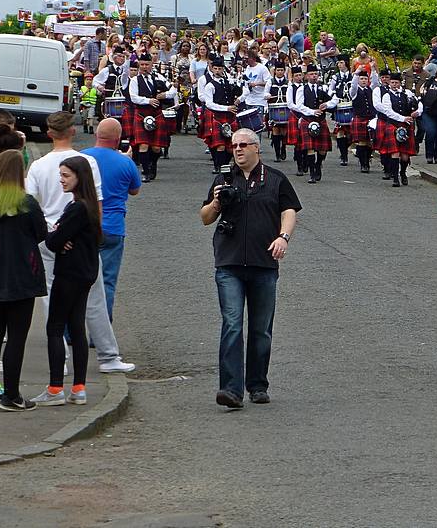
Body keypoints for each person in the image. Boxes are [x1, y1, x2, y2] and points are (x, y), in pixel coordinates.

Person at [25, 111, 135, 374]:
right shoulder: (86, 162)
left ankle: (59, 359)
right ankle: (108, 357)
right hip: (82, 239)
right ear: (72, 131)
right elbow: (97, 204)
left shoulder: (38, 166)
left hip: (52, 238)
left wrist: (49, 234)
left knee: (52, 299)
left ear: (49, 133)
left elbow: (30, 205)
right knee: (94, 298)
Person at [199, 128, 301, 409]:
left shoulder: (275, 179)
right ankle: (230, 390)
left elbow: (289, 210)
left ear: (257, 148)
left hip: (263, 264)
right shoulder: (223, 179)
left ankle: (257, 384)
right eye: (234, 145)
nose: (238, 150)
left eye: (244, 145)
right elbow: (205, 217)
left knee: (260, 329)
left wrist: (284, 237)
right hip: (229, 263)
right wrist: (217, 201)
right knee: (232, 324)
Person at [0, 150, 47, 411]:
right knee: (16, 338)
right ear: (19, 172)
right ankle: (11, 395)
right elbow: (41, 233)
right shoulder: (27, 204)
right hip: (20, 276)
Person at [32, 156, 102, 406]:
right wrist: (61, 235)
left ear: (78, 178)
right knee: (77, 328)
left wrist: (58, 234)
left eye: (65, 176)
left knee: (55, 327)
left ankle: (54, 388)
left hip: (69, 273)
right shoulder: (89, 206)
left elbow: (52, 242)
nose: (60, 180)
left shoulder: (76, 208)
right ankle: (79, 388)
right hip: (84, 274)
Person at [83, 118, 141, 321]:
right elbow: (134, 190)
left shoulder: (82, 158)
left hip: (85, 226)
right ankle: (101, 331)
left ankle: (70, 332)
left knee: (77, 280)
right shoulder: (126, 162)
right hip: (113, 228)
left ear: (96, 135)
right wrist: (127, 158)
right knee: (107, 282)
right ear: (118, 139)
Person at [127, 53, 177, 182]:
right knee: (143, 145)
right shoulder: (134, 80)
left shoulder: (158, 77)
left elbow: (173, 90)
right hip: (141, 114)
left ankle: (153, 164)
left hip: (156, 114)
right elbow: (133, 97)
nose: (144, 67)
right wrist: (148, 100)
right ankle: (146, 172)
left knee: (156, 147)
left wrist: (164, 95)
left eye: (147, 64)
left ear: (151, 65)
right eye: (142, 64)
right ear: (139, 65)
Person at [376, 71, 422, 187]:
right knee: (394, 152)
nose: (394, 85)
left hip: (406, 126)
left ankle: (403, 173)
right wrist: (403, 118)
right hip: (393, 125)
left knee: (405, 155)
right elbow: (388, 111)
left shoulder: (407, 93)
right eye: (392, 82)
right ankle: (395, 178)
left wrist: (418, 112)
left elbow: (419, 102)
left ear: (400, 83)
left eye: (396, 82)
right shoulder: (387, 96)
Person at [294, 64, 338, 184]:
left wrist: (327, 105)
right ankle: (312, 173)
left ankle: (318, 165)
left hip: (321, 121)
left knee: (322, 150)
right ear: (306, 76)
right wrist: (313, 111)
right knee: (310, 148)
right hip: (308, 120)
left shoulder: (323, 88)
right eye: (312, 74)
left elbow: (335, 99)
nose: (314, 76)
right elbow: (299, 106)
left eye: (316, 74)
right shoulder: (301, 89)